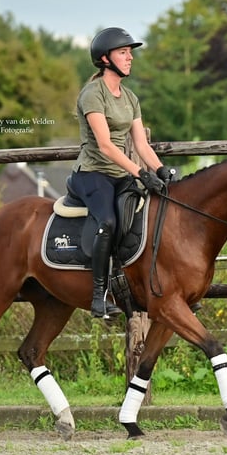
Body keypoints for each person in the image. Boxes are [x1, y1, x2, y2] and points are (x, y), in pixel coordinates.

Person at [69, 27, 172, 319]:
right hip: (92, 174)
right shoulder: (92, 94)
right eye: (123, 53)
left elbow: (140, 143)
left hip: (121, 173)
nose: (130, 58)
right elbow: (104, 146)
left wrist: (161, 170)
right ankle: (98, 295)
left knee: (152, 213)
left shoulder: (130, 97)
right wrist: (140, 172)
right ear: (105, 59)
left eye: (130, 53)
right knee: (109, 222)